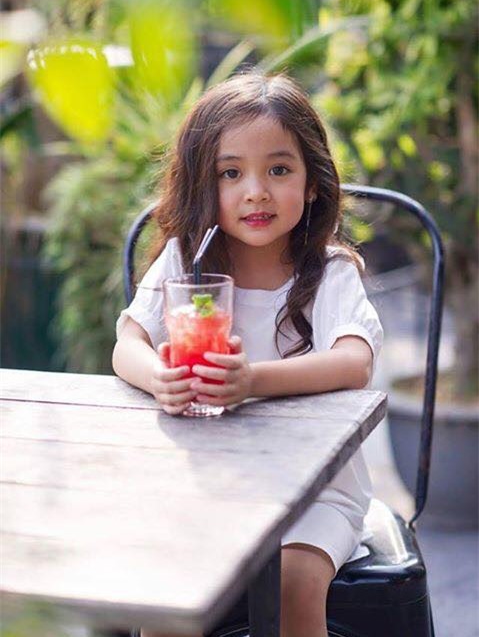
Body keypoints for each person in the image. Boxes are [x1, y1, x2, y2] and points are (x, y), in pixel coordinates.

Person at [112, 72, 383, 637]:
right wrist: (160, 377)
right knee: (164, 583)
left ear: (312, 184)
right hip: (209, 482)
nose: (255, 191)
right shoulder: (186, 263)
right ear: (201, 185)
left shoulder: (328, 271)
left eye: (278, 170)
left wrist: (251, 379)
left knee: (293, 583)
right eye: (230, 173)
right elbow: (128, 344)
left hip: (315, 492)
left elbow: (354, 361)